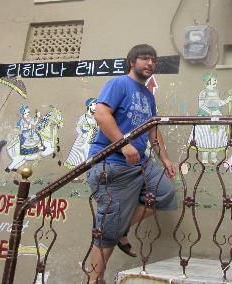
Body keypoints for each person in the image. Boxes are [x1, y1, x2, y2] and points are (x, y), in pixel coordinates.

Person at [87, 44, 177, 284]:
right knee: (106, 231)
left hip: (139, 163)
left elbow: (152, 129)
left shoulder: (147, 94)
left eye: (153, 60)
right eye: (144, 58)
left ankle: (120, 229)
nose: (150, 63)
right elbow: (101, 114)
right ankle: (94, 280)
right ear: (131, 61)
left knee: (164, 194)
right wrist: (123, 144)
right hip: (112, 162)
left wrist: (165, 159)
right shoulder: (118, 84)